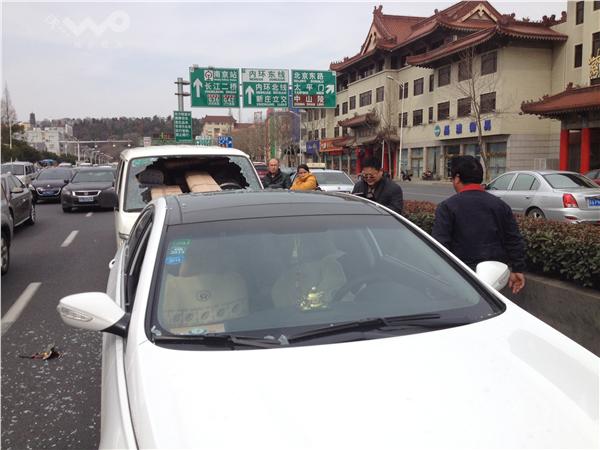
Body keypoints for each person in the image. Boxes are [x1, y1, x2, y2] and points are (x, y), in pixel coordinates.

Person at [432, 156, 526, 294]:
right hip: (495, 277)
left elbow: (440, 246)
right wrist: (517, 269)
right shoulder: (500, 205)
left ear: (457, 178)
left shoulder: (447, 207)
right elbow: (513, 239)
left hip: (460, 277)